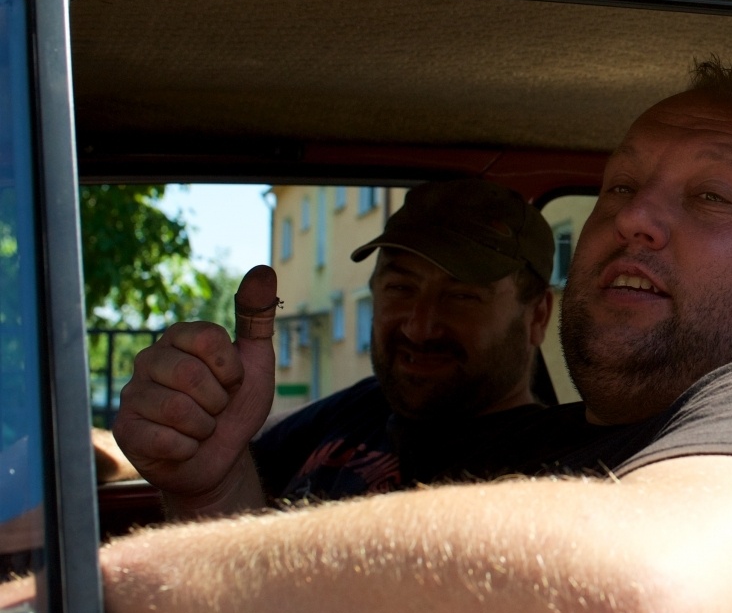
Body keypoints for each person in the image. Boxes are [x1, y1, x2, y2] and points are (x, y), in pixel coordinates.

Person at [85, 60, 732, 613]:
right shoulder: (514, 440)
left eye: (710, 197)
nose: (632, 218)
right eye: (621, 184)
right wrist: (208, 488)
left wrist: (101, 586)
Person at [111, 178, 559, 519]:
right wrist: (197, 465)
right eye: (400, 286)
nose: (419, 326)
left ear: (537, 316)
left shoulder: (553, 469)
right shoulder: (362, 407)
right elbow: (229, 486)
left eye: (462, 295)